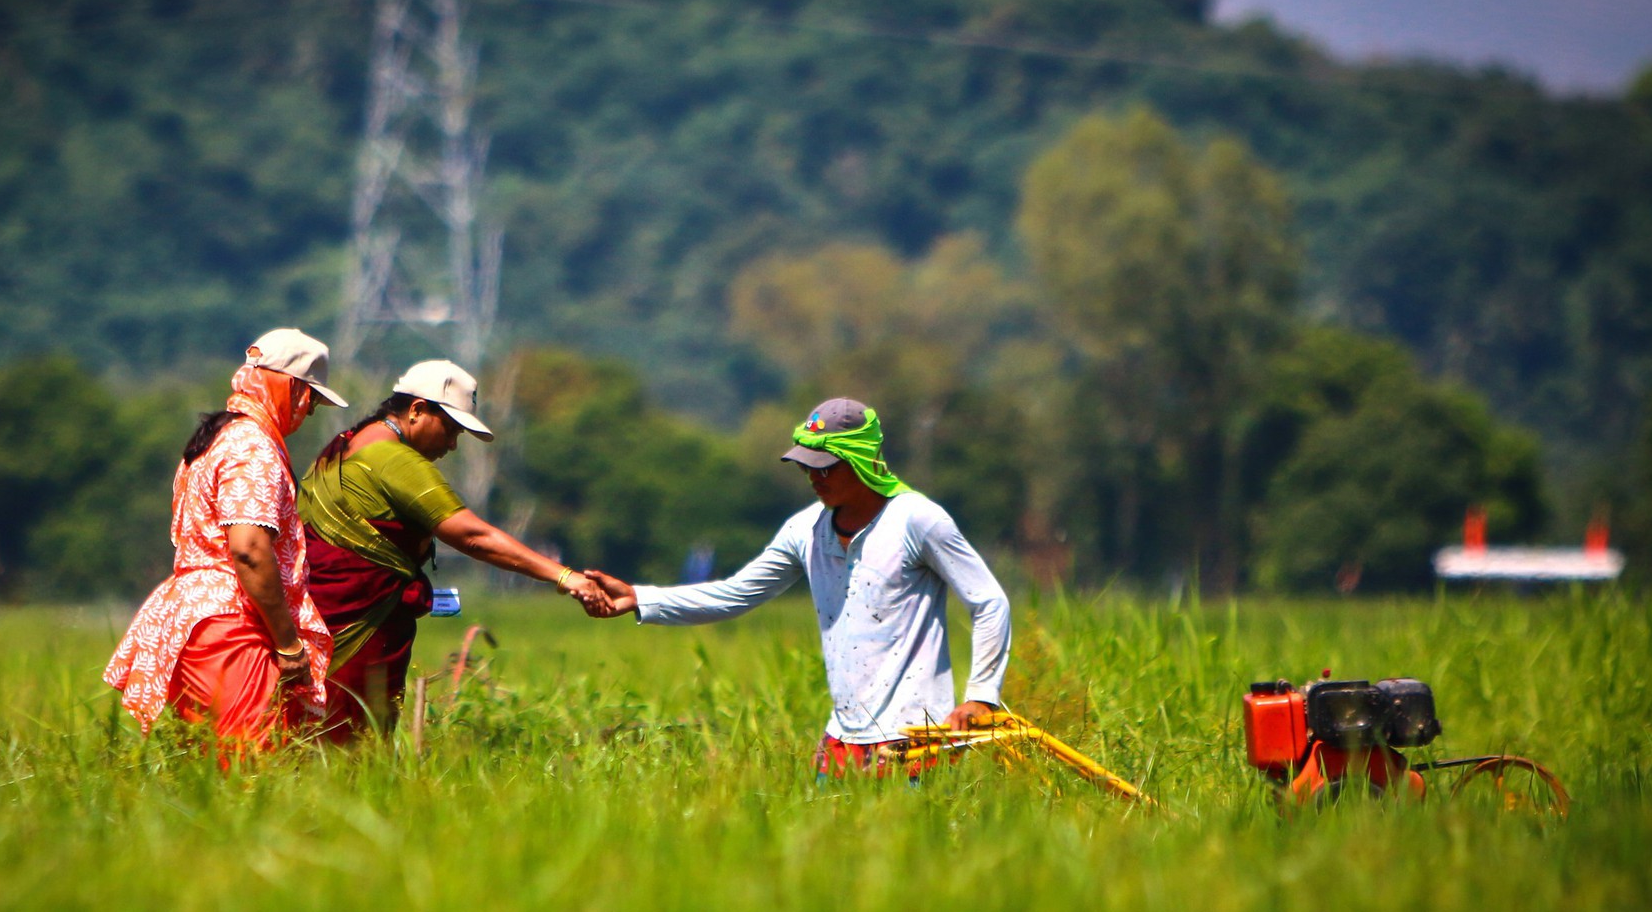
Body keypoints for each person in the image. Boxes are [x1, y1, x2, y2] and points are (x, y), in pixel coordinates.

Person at [582, 397, 1011, 777]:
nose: (813, 476)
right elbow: (735, 594)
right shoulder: (805, 530)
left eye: (825, 467)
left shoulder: (917, 520)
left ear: (859, 460)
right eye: (806, 466)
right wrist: (641, 597)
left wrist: (981, 697)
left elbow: (989, 602)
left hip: (917, 736)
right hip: (843, 737)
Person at [299, 359, 606, 734]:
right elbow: (472, 536)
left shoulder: (346, 445)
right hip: (360, 627)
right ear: (417, 410)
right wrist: (563, 576)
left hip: (316, 619)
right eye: (450, 429)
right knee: (349, 737)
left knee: (309, 729)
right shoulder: (393, 459)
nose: (453, 445)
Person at [105, 329, 346, 757]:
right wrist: (289, 644)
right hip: (231, 623)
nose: (307, 413)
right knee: (249, 765)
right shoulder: (253, 446)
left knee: (209, 763)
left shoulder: (220, 436)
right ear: (292, 387)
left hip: (197, 619)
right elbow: (249, 549)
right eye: (310, 399)